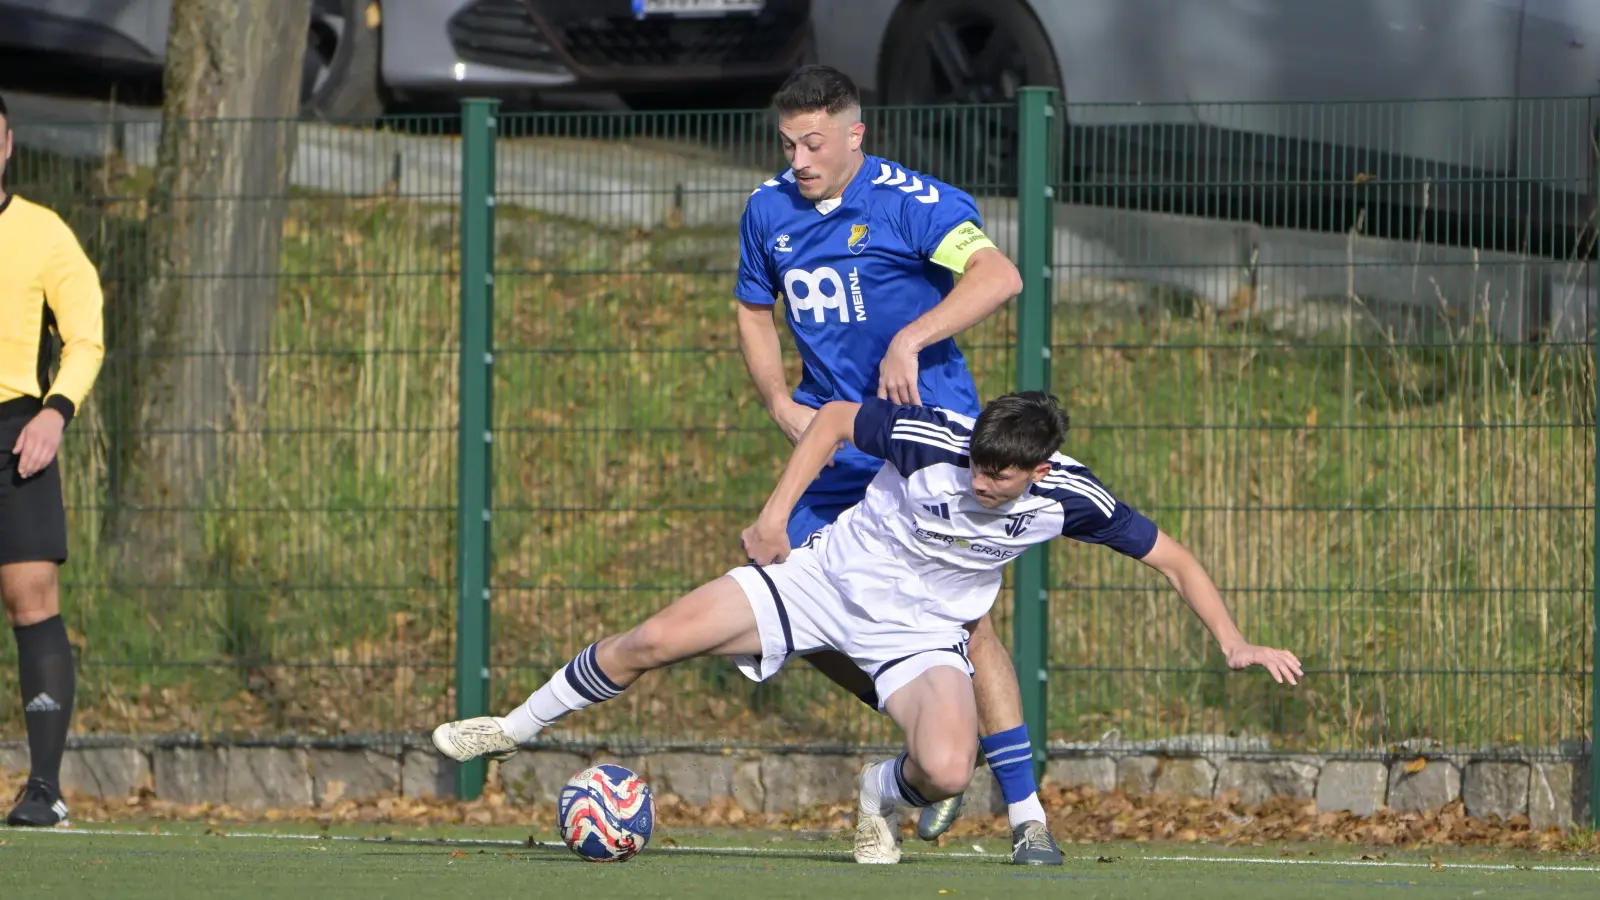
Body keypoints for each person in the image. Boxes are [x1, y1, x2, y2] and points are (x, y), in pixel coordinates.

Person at [431, 391, 1303, 865]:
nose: (981, 482)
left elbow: (1175, 560)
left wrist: (1234, 641)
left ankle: (878, 796)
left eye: (1000, 477)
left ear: (1039, 471)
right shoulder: (932, 439)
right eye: (978, 465)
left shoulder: (1071, 498)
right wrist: (775, 516)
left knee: (948, 768)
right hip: (819, 584)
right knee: (650, 641)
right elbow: (837, 420)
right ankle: (512, 728)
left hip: (919, 636)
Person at [732, 63, 1062, 861]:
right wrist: (777, 401)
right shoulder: (767, 208)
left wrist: (910, 339)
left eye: (814, 143)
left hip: (926, 444)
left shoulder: (912, 202)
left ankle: (1027, 817)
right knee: (786, 609)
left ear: (856, 134)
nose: (799, 160)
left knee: (968, 624)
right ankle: (934, 729)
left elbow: (1000, 276)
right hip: (835, 442)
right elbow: (752, 309)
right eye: (788, 144)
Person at [0, 92, 107, 828]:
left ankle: (44, 789)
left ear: (7, 144)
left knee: (32, 597)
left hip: (17, 432)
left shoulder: (44, 233)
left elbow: (86, 336)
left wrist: (55, 411)